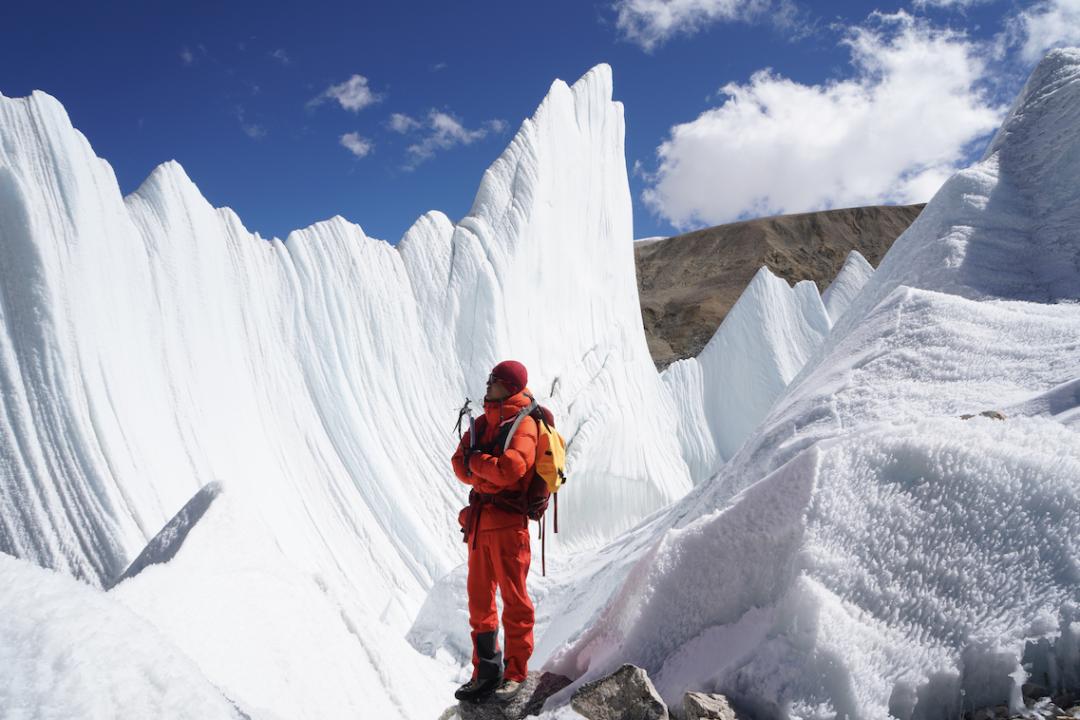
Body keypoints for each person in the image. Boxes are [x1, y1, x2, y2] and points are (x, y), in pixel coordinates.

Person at [451, 360, 538, 703]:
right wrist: (486, 472)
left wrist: (477, 465)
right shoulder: (485, 421)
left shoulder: (524, 423)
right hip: (481, 524)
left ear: (510, 387)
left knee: (515, 602)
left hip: (508, 527)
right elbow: (458, 464)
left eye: (495, 380)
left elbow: (511, 469)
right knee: (479, 602)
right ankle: (485, 673)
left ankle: (515, 673)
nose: (488, 384)